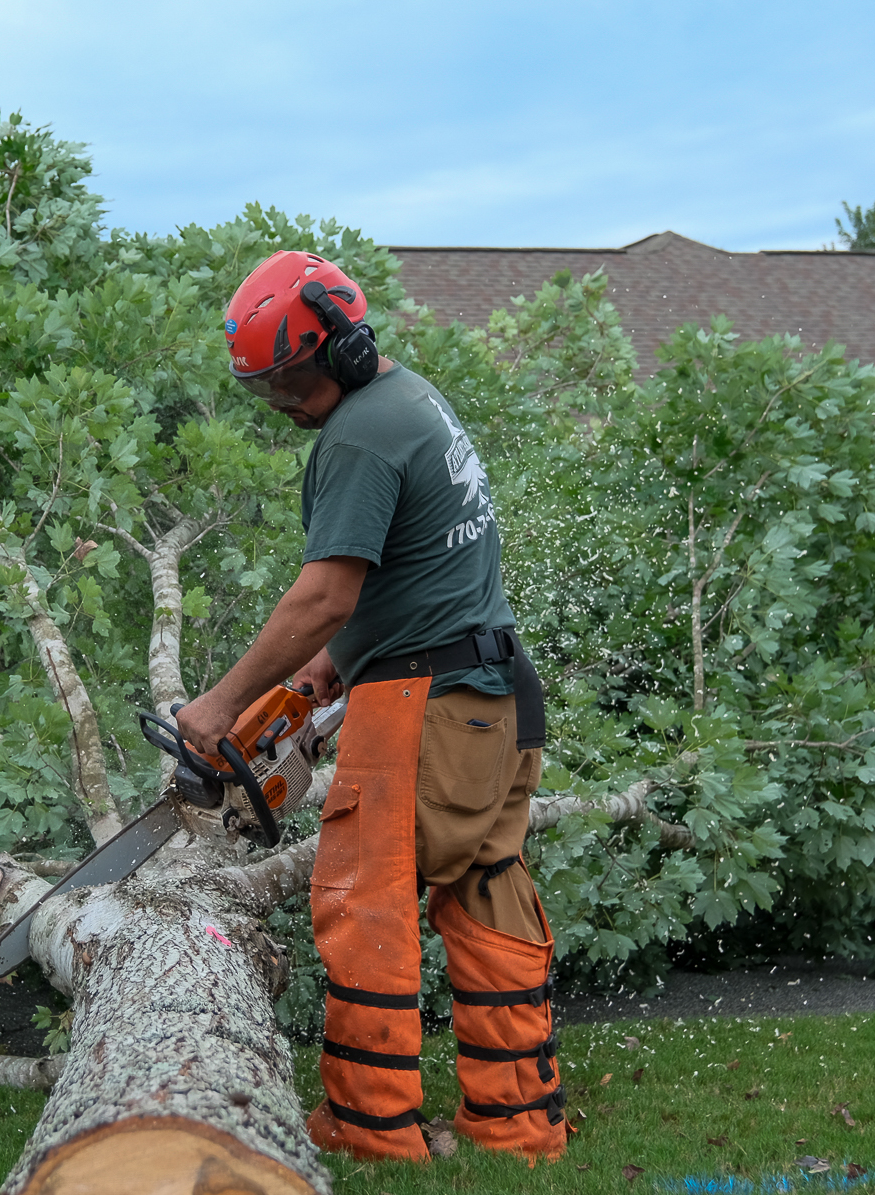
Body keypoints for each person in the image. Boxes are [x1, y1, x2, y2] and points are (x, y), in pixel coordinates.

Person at [174, 250, 565, 1163]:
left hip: (423, 704)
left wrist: (222, 704)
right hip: (498, 697)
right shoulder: (414, 401)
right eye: (267, 387)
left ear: (342, 349)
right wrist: (314, 679)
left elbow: (327, 594)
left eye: (291, 379)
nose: (282, 402)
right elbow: (417, 573)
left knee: (362, 896)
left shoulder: (356, 435)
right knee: (483, 886)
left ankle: (371, 1129)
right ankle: (517, 1125)